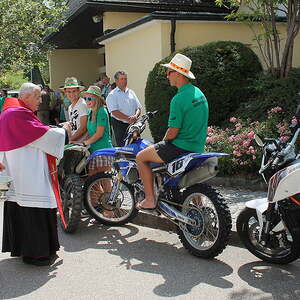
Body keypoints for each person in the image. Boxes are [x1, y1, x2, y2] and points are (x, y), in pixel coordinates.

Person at [0, 82, 66, 266]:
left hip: (20, 169)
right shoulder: (17, 114)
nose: (40, 101)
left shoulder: (11, 112)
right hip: (28, 172)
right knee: (35, 206)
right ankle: (37, 253)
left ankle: (24, 249)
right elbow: (40, 136)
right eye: (37, 97)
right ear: (26, 96)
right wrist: (63, 131)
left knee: (22, 207)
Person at [135, 53, 209, 210]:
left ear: (178, 74)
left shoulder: (178, 99)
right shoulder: (199, 93)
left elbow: (173, 132)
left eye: (168, 72)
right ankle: (198, 208)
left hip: (180, 146)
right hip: (198, 146)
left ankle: (149, 199)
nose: (167, 75)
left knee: (141, 157)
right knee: (192, 182)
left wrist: (163, 141)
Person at [106, 71, 142, 146]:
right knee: (124, 149)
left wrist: (135, 116)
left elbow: (138, 107)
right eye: (122, 79)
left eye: (125, 79)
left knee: (136, 146)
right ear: (116, 81)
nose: (124, 81)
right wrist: (128, 118)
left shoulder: (131, 92)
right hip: (120, 126)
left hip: (133, 125)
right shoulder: (112, 95)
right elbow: (114, 112)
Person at [60, 77, 88, 142]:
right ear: (65, 93)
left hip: (83, 143)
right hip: (75, 141)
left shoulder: (82, 104)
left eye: (74, 91)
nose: (71, 94)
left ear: (78, 91)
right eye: (69, 92)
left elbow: (84, 127)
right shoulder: (70, 107)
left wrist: (70, 139)